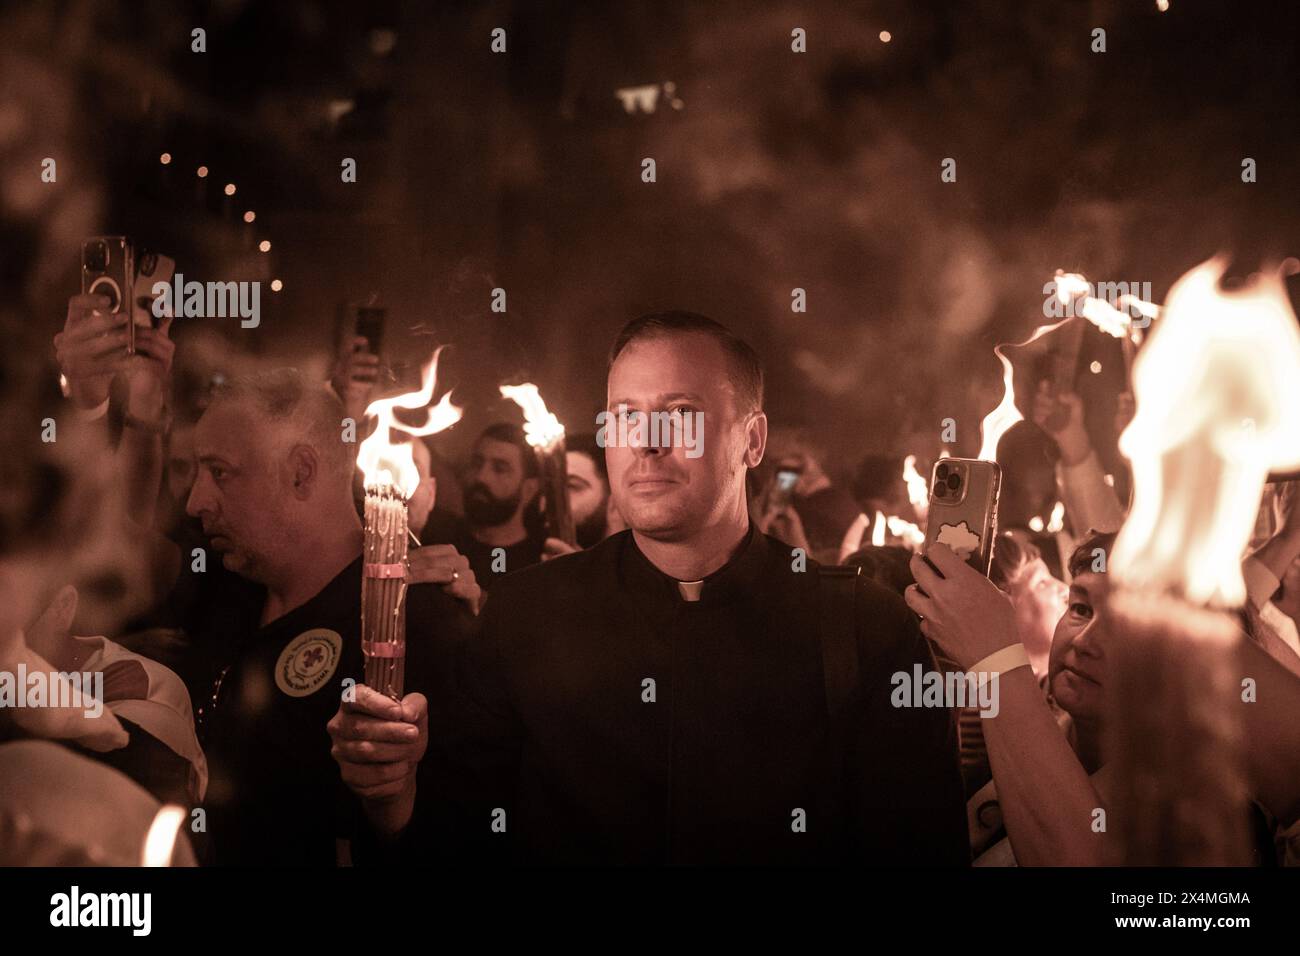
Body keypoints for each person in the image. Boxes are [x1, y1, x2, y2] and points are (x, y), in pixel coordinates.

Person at [331, 310, 968, 865]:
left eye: (682, 416)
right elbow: (456, 844)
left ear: (752, 440)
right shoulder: (525, 616)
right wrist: (394, 795)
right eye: (625, 417)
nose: (647, 443)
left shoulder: (865, 630)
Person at [181, 369, 472, 864]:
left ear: (300, 471)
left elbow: (458, 834)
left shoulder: (417, 618)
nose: (195, 501)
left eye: (220, 472)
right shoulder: (222, 583)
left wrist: (392, 799)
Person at [421, 423, 545, 587]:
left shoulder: (541, 561)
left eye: (500, 469)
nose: (481, 477)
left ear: (529, 489)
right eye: (477, 463)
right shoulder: (436, 538)